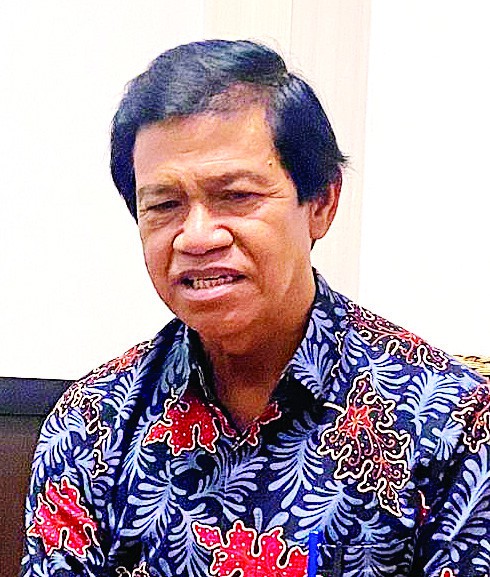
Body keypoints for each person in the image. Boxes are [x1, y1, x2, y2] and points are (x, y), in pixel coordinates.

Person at [22, 39, 490, 577]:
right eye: (165, 205)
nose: (197, 236)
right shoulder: (90, 424)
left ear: (321, 203)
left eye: (237, 196)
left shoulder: (449, 422)